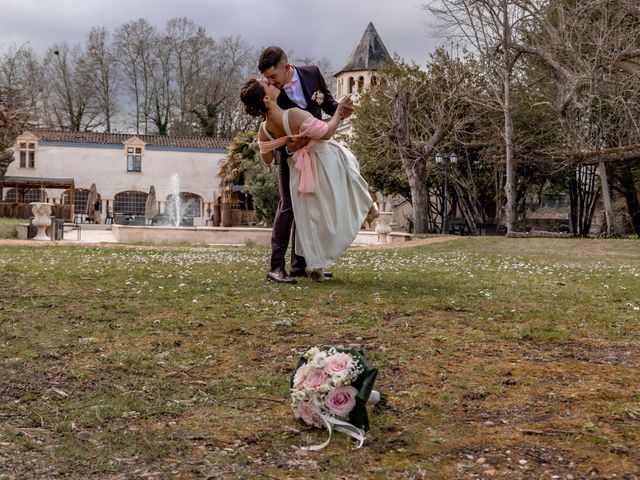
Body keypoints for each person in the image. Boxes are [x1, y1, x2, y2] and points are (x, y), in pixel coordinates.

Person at [240, 78, 378, 282]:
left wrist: (286, 146)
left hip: (298, 172)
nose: (273, 83)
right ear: (267, 98)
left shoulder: (264, 129)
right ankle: (366, 206)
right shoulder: (293, 114)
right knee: (345, 181)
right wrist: (339, 113)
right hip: (321, 161)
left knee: (308, 219)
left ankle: (314, 265)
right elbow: (327, 132)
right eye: (268, 84)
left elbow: (268, 159)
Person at [257, 46, 355, 284]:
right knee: (288, 205)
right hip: (287, 153)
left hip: (314, 151)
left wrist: (343, 111)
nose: (269, 82)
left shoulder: (312, 74)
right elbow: (269, 124)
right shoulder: (270, 92)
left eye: (273, 77)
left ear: (287, 68)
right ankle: (276, 267)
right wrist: (287, 146)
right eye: (266, 78)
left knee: (308, 204)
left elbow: (328, 104)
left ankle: (301, 264)